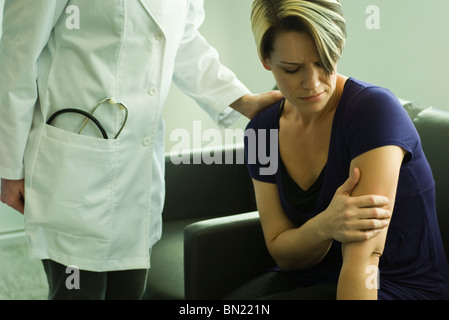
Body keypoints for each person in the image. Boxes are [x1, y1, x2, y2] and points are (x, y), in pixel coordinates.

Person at [0, 0, 281, 299]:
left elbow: (183, 39)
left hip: (137, 168)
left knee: (130, 289)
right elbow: (17, 58)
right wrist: (9, 167)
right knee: (78, 289)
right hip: (73, 165)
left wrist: (241, 100)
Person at [229, 0, 449, 300]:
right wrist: (326, 225)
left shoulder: (373, 112)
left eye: (324, 61)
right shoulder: (260, 132)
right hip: (307, 280)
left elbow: (365, 256)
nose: (313, 83)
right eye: (292, 69)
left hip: (390, 286)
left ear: (339, 47)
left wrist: (320, 231)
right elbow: (281, 250)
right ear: (265, 60)